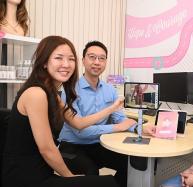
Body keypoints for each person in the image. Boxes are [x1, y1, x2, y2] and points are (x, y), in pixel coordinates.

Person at [1, 35, 123, 187]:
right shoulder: (36, 93)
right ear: (44, 62)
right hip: (25, 176)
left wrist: (111, 108)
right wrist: (70, 177)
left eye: (71, 59)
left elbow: (78, 123)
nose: (66, 64)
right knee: (107, 183)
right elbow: (47, 149)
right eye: (59, 58)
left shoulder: (52, 93)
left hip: (42, 170)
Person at [58, 40, 155, 187]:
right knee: (91, 172)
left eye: (101, 58)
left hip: (98, 144)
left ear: (105, 62)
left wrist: (138, 127)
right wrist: (116, 128)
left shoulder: (109, 89)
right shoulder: (69, 89)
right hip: (72, 146)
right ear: (83, 60)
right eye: (92, 57)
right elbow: (80, 131)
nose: (97, 62)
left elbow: (120, 118)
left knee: (130, 163)